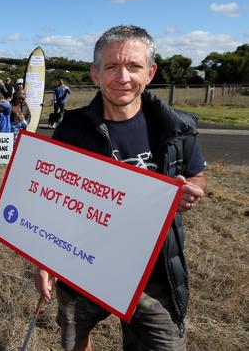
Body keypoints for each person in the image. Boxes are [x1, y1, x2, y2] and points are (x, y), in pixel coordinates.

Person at [34, 25, 206, 351]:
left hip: (152, 273)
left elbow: (197, 174)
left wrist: (191, 189)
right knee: (74, 341)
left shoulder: (177, 128)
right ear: (95, 73)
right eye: (111, 66)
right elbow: (50, 200)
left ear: (151, 72)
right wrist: (44, 259)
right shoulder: (72, 128)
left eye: (134, 66)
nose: (122, 77)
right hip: (81, 265)